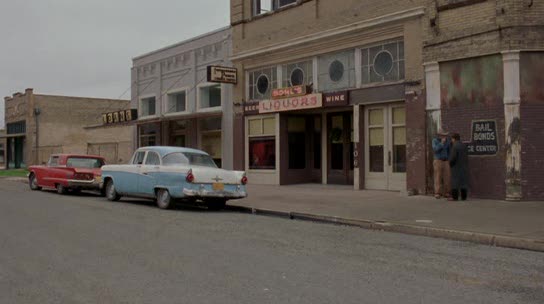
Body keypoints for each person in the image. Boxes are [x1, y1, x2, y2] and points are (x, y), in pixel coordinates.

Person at [448, 133, 469, 201]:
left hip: (456, 166)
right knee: (463, 182)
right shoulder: (464, 145)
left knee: (455, 182)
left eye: (452, 139)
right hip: (464, 166)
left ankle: (455, 197)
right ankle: (464, 197)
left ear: (453, 139)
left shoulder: (455, 146)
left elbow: (453, 157)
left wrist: (450, 163)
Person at [432, 129, 451, 199]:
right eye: (443, 135)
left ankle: (447, 192)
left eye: (445, 135)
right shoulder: (435, 141)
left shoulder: (448, 141)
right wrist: (442, 143)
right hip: (438, 160)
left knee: (447, 177)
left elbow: (449, 150)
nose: (444, 136)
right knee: (438, 177)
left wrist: (448, 158)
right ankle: (437, 193)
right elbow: (435, 150)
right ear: (439, 135)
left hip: (446, 160)